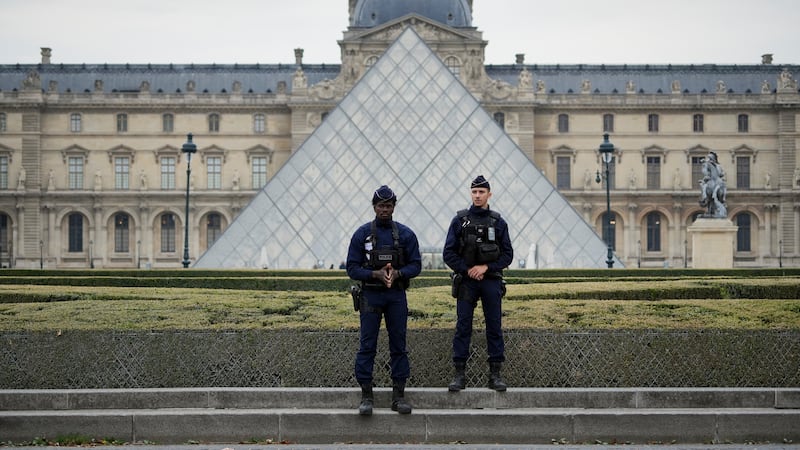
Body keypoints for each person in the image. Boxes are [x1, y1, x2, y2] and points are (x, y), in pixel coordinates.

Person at [346, 185, 421, 416]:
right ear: (374, 207)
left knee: (399, 345)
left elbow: (416, 265)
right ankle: (366, 395)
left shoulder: (406, 235)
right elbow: (352, 268)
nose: (384, 210)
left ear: (393, 207)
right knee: (367, 346)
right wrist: (374, 274)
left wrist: (397, 274)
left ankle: (398, 396)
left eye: (388, 206)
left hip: (396, 295)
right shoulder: (361, 234)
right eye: (381, 206)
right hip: (370, 294)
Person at [443, 175, 514, 392]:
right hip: (467, 282)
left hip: (491, 281)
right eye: (474, 192)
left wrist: (485, 268)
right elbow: (448, 253)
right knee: (463, 326)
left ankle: (495, 375)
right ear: (470, 193)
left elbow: (508, 255)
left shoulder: (499, 222)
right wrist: (468, 270)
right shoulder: (459, 221)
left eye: (481, 192)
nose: (477, 195)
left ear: (489, 194)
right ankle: (459, 374)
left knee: (494, 326)